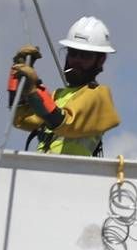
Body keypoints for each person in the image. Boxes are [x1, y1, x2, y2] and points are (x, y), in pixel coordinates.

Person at [8, 16, 120, 155]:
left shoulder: (99, 95)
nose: (76, 61)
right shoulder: (58, 96)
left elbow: (63, 122)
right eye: (73, 53)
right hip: (45, 170)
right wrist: (18, 76)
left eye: (85, 56)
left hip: (73, 172)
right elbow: (21, 118)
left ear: (100, 60)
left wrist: (33, 90)